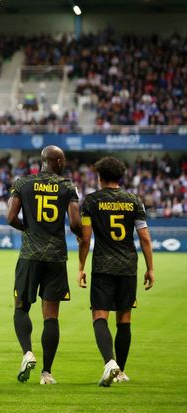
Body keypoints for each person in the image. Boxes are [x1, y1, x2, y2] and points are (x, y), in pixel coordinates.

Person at [6, 145, 81, 385]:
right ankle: (46, 373)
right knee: (51, 317)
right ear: (57, 162)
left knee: (21, 307)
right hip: (56, 258)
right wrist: (81, 236)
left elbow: (10, 217)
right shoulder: (68, 186)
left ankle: (27, 352)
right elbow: (75, 223)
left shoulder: (23, 183)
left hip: (29, 255)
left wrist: (26, 229)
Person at [78, 156, 154, 386]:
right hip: (128, 267)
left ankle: (110, 362)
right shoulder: (134, 201)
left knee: (99, 316)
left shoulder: (92, 201)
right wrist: (150, 268)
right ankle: (120, 371)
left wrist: (81, 267)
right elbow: (145, 238)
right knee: (124, 319)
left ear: (99, 177)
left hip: (103, 266)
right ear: (120, 177)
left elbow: (86, 238)